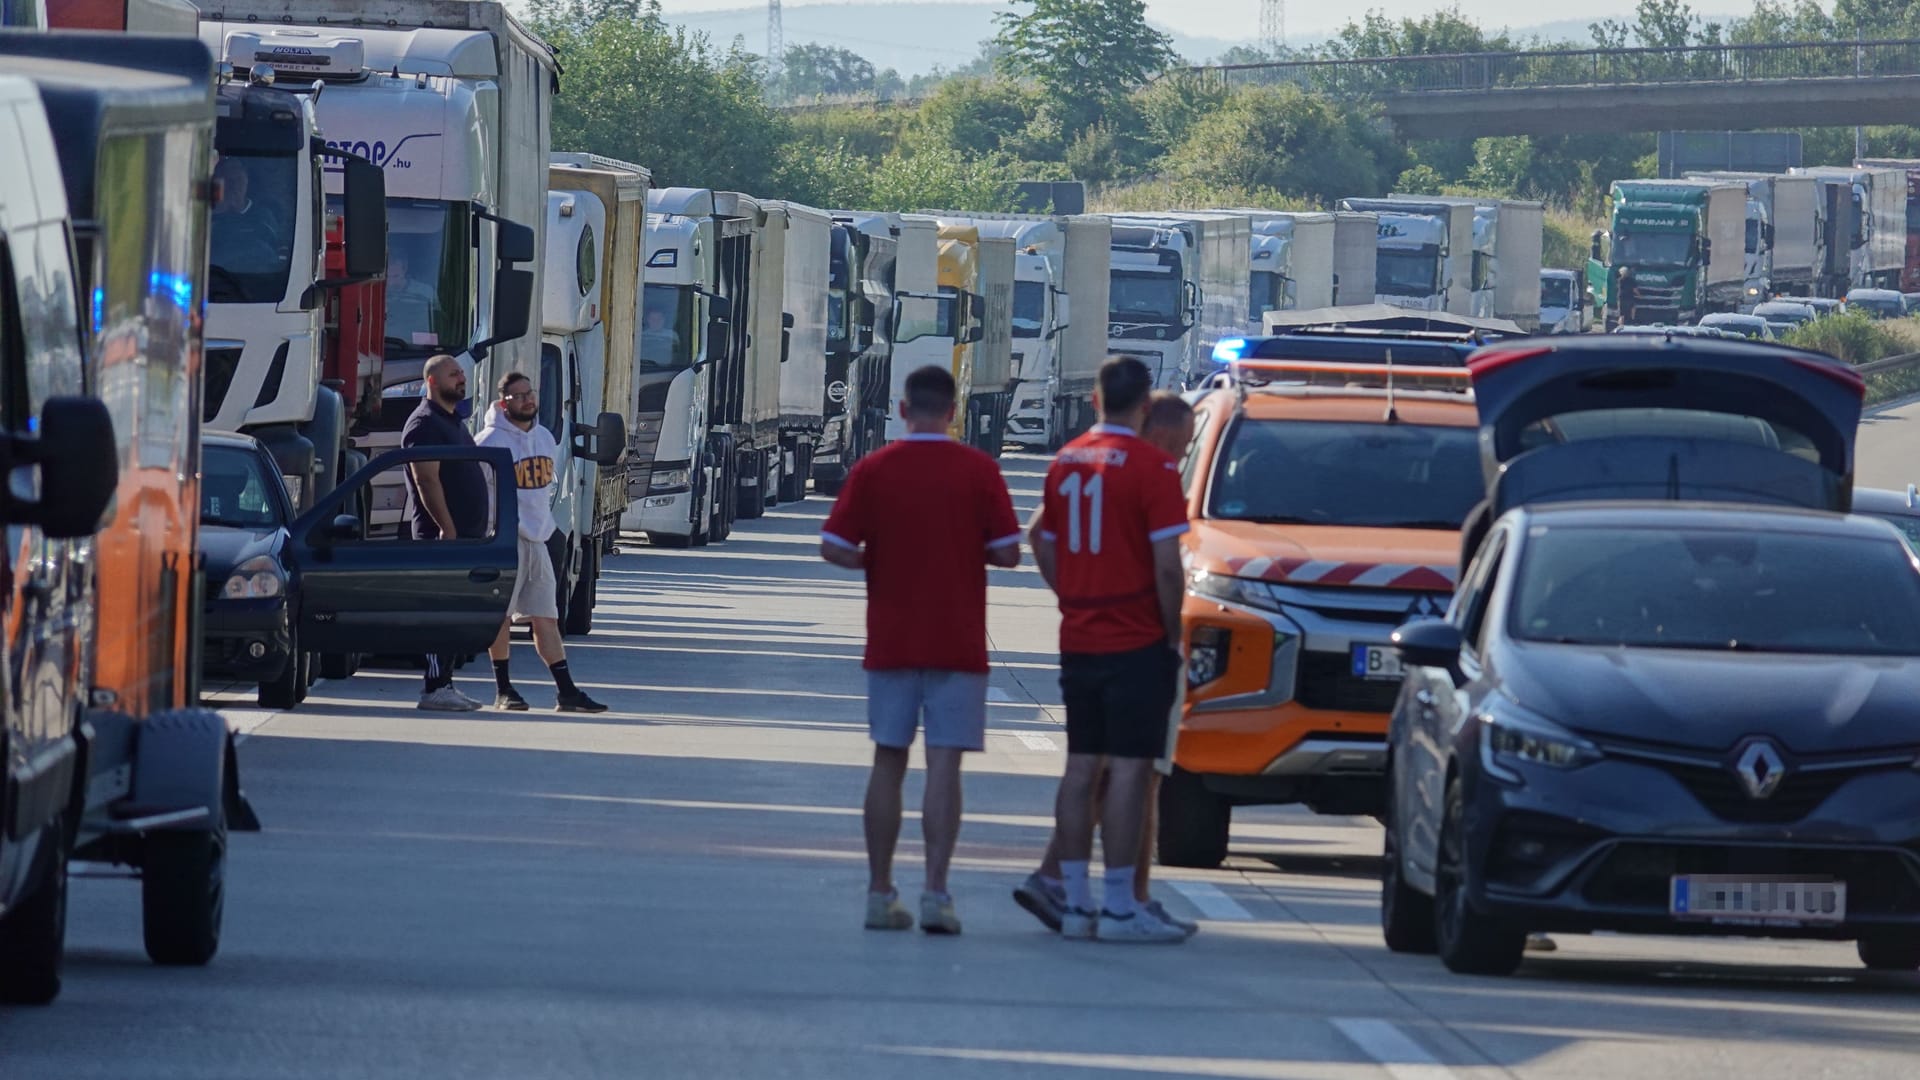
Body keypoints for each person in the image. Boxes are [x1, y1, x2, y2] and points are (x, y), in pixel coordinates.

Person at [819, 365, 1021, 935]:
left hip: (891, 639)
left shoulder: (875, 469)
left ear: (904, 411)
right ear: (953, 411)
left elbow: (833, 546)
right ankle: (937, 891)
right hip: (957, 643)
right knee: (944, 766)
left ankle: (880, 892)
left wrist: (874, 562)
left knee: (889, 760)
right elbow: (1008, 553)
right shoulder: (978, 470)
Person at [1015, 391, 1198, 938]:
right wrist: (1169, 635)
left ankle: (1063, 882)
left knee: (1095, 769)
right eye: (1183, 443)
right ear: (1160, 431)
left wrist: (1071, 595)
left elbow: (1036, 532)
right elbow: (1170, 570)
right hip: (1141, 638)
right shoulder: (1153, 470)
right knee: (1137, 774)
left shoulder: (1082, 460)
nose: (1185, 455)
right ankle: (1127, 900)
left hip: (1085, 635)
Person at [478, 373, 609, 714]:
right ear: (503, 401)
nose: (527, 400)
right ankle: (504, 690)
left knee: (546, 617)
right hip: (506, 539)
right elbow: (479, 494)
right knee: (501, 618)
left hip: (539, 538)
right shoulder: (489, 441)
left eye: (530, 393)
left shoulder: (545, 437)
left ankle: (567, 692)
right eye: (518, 396)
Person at [402, 354, 491, 712]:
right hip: (443, 539)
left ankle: (446, 684)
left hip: (466, 537)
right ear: (432, 382)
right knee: (440, 611)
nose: (461, 379)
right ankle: (434, 687)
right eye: (453, 374)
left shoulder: (453, 421)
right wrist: (446, 528)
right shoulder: (423, 423)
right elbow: (426, 479)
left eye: (462, 374)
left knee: (456, 614)